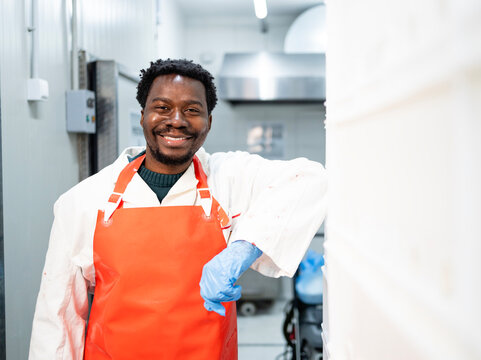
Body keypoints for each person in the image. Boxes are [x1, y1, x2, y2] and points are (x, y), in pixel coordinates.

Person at [29, 58, 326, 359]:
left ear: (209, 122)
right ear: (143, 115)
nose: (177, 120)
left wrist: (243, 248)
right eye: (162, 107)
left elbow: (313, 179)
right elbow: (57, 319)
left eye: (192, 110)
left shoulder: (228, 179)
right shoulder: (83, 201)